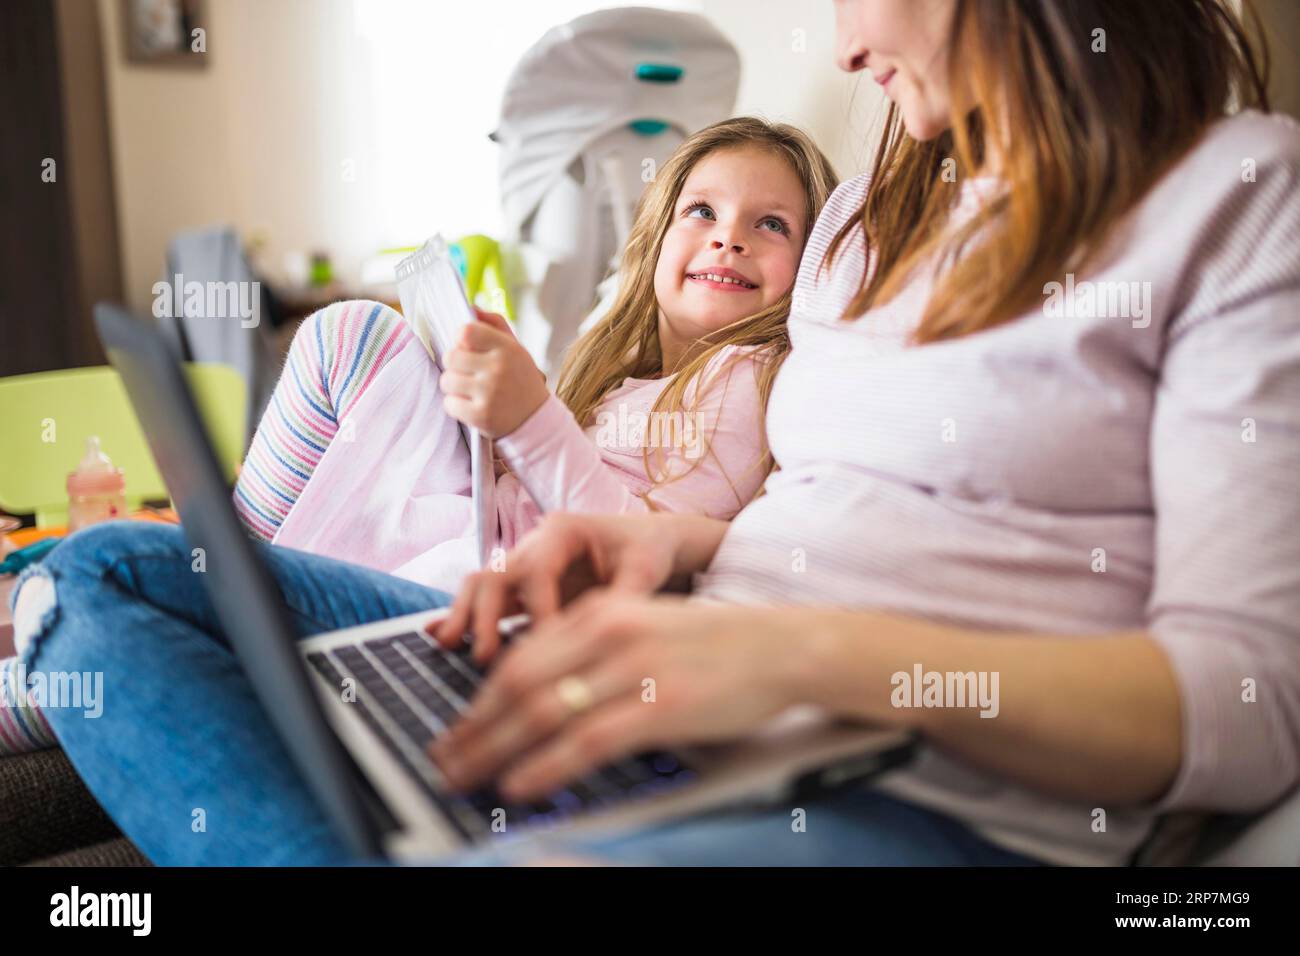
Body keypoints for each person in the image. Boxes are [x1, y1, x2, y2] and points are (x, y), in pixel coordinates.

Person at [13, 0, 1300, 867]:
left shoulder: (1238, 195)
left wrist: (807, 657)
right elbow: (825, 499)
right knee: (102, 576)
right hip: (681, 676)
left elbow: (1251, 701)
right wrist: (662, 550)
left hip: (911, 787)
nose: (845, 44)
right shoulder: (867, 220)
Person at [0, 117, 837, 755]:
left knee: (354, 339)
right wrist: (500, 397)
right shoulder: (630, 379)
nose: (729, 234)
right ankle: (195, 572)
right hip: (483, 537)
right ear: (658, 237)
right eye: (704, 209)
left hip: (499, 588)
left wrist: (530, 420)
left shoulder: (751, 377)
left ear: (814, 267)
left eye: (773, 225)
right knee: (360, 342)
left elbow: (632, 548)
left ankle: (190, 579)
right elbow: (555, 474)